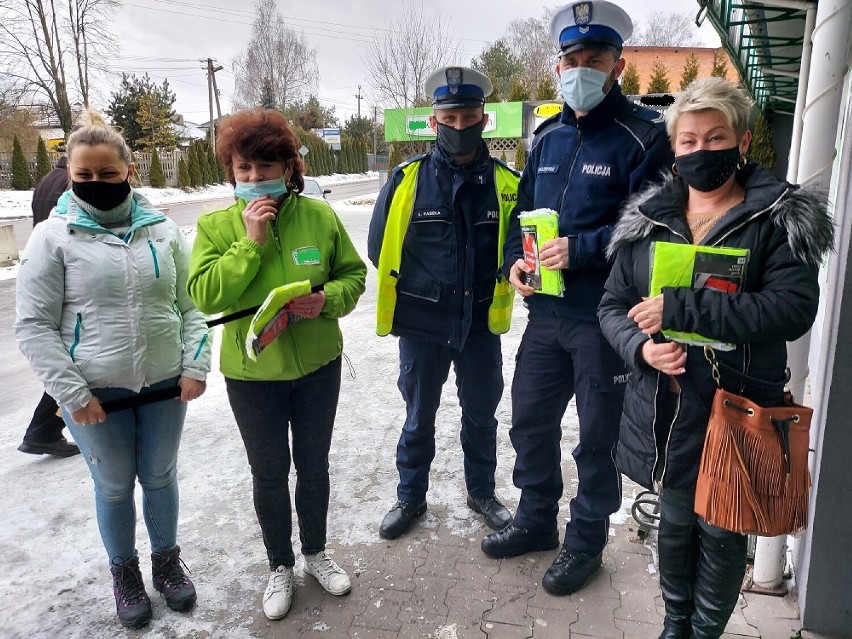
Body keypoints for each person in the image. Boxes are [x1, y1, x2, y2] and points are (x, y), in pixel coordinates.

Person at [598, 77, 833, 639]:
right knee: (676, 525)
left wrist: (681, 308)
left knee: (725, 531)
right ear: (674, 150)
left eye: (715, 137)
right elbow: (611, 306)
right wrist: (642, 348)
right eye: (688, 141)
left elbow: (791, 309)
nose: (701, 151)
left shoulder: (778, 217)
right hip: (667, 410)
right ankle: (675, 625)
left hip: (738, 409)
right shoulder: (648, 219)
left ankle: (707, 632)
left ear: (743, 142)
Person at [480, 0, 672, 597]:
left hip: (603, 321)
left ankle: (585, 541)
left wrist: (581, 249)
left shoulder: (644, 136)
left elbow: (652, 226)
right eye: (570, 58)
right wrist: (517, 257)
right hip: (546, 315)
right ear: (558, 64)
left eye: (594, 58)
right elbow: (521, 215)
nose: (580, 68)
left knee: (596, 438)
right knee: (530, 423)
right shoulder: (548, 135)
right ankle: (537, 520)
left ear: (617, 65)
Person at [15, 109, 210, 629]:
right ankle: (124, 572)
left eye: (106, 173)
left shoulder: (163, 231)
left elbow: (189, 307)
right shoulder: (51, 239)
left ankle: (166, 563)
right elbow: (33, 326)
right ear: (70, 176)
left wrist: (195, 364)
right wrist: (72, 394)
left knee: (162, 475)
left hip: (167, 384)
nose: (96, 183)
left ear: (128, 172)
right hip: (95, 394)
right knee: (116, 487)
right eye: (84, 176)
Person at [187, 109, 367, 621]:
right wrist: (250, 242)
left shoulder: (320, 217)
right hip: (253, 377)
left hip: (317, 368)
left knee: (314, 466)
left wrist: (327, 298)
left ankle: (315, 553)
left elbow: (353, 277)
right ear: (231, 172)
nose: (254, 179)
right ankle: (279, 565)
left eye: (266, 168)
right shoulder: (215, 226)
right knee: (269, 472)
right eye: (243, 169)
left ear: (289, 169)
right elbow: (205, 295)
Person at [368, 66, 519, 540]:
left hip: (479, 326)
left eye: (468, 117)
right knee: (418, 417)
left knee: (481, 415)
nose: (459, 127)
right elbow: (379, 247)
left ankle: (481, 493)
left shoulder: (505, 183)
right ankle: (410, 498)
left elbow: (518, 248)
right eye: (449, 118)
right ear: (433, 121)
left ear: (484, 120)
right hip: (423, 325)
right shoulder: (406, 181)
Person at [18, 155, 81, 458]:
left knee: (68, 360)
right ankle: (42, 430)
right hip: (64, 271)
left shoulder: (45, 180)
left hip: (48, 269)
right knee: (73, 361)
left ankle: (43, 430)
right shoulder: (68, 185)